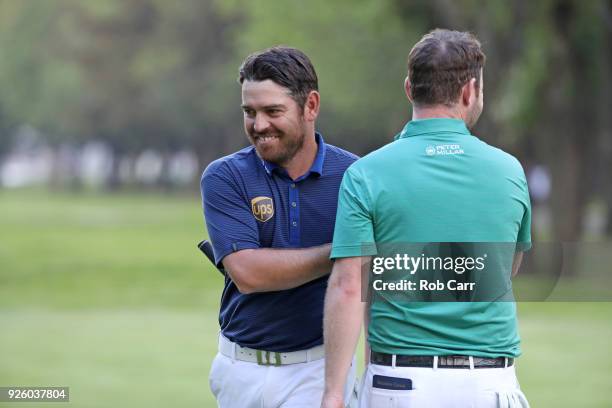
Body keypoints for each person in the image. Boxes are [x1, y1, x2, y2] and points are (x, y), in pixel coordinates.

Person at [321, 29, 532, 408]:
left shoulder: (367, 172)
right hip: (488, 383)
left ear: (408, 89)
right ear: (470, 91)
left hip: (398, 384)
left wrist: (334, 395)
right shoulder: (509, 171)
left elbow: (350, 285)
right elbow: (505, 267)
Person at [201, 46, 358, 408]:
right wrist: (346, 250)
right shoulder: (225, 176)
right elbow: (249, 273)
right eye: (249, 112)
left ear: (311, 106)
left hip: (319, 370)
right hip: (239, 370)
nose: (258, 125)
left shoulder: (355, 176)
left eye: (273, 111)